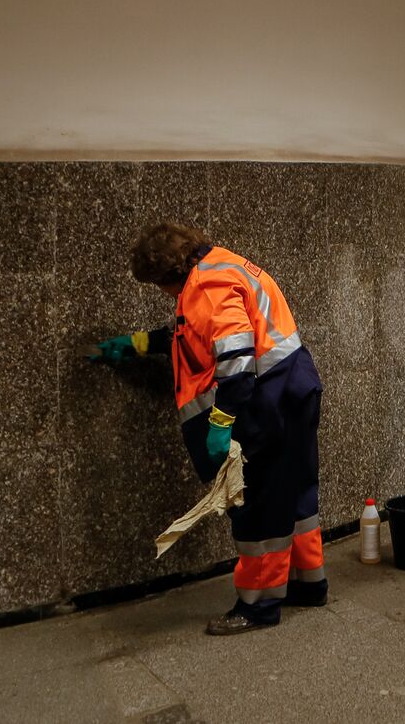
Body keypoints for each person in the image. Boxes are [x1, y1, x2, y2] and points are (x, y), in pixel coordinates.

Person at [89, 222, 326, 635]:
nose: (165, 295)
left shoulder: (204, 286)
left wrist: (220, 423)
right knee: (297, 490)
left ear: (167, 277)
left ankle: (258, 605)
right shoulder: (222, 263)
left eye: (158, 286)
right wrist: (141, 344)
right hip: (295, 389)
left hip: (266, 403)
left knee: (255, 506)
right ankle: (310, 583)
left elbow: (235, 361)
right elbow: (201, 333)